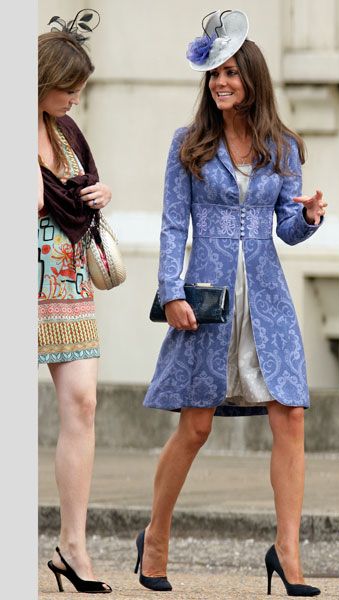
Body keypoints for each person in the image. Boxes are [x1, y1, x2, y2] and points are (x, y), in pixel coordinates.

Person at [138, 9, 327, 597]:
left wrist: (311, 217)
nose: (221, 83)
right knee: (194, 427)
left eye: (231, 74)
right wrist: (170, 291)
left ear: (252, 80)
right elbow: (173, 227)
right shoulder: (188, 144)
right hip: (208, 300)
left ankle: (288, 552)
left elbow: (287, 229)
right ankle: (156, 537)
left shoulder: (283, 145)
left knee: (290, 416)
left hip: (266, 300)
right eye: (214, 74)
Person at [38, 9, 112, 594]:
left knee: (83, 403)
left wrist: (100, 191)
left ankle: (72, 546)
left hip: (67, 279)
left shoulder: (65, 132)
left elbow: (78, 190)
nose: (77, 100)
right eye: (71, 89)